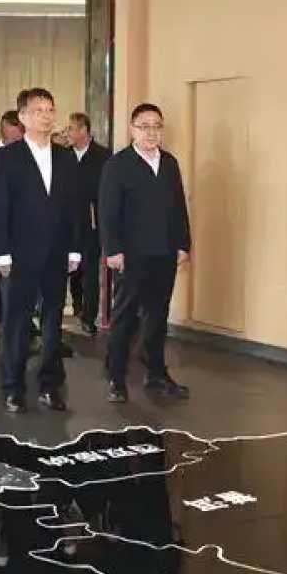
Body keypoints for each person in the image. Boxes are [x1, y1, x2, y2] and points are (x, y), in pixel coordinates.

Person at [0, 88, 81, 414]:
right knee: (16, 323)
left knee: (53, 322)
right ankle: (13, 387)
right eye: (38, 110)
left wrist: (75, 249)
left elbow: (74, 207)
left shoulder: (66, 157)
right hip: (19, 254)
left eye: (50, 109)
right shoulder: (6, 157)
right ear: (23, 117)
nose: (46, 115)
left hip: (57, 253)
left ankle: (50, 385)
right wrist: (1, 252)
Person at [99, 103, 192, 403]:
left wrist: (183, 244)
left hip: (164, 251)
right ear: (132, 129)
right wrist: (113, 250)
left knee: (158, 315)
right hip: (130, 255)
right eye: (144, 126)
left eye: (157, 126)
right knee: (125, 317)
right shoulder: (118, 165)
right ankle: (116, 378)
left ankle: (156, 374)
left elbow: (178, 206)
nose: (151, 132)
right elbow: (108, 212)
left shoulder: (169, 163)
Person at [66, 112, 112, 336]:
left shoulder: (103, 156)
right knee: (69, 269)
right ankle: (76, 306)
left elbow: (107, 191)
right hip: (65, 222)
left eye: (71, 128)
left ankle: (88, 315)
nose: (68, 133)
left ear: (84, 130)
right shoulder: (63, 155)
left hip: (91, 222)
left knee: (90, 271)